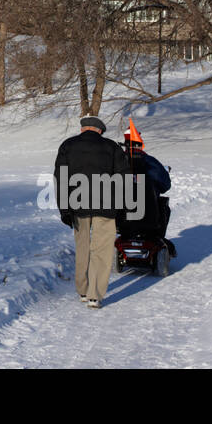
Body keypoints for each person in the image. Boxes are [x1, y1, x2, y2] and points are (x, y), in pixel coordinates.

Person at [54, 115, 130, 309]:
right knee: (102, 251)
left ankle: (82, 290)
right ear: (99, 131)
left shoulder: (68, 146)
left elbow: (61, 178)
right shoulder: (112, 147)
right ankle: (95, 295)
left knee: (82, 248)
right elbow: (124, 178)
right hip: (106, 206)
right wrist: (123, 207)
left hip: (77, 205)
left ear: (83, 129)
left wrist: (64, 209)